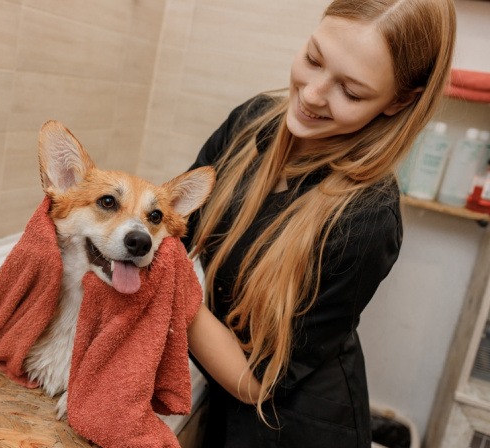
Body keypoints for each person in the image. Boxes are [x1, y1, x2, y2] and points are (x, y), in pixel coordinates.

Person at [184, 0, 456, 446]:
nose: (311, 94)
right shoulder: (250, 124)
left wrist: (171, 292)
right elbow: (172, 227)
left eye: (350, 92)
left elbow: (258, 382)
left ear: (399, 101)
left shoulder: (367, 220)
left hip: (295, 428)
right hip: (224, 400)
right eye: (313, 58)